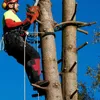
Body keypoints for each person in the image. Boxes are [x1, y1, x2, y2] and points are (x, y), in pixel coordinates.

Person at [2, 0, 49, 92]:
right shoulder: (8, 13)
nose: (18, 5)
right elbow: (9, 24)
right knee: (35, 55)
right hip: (14, 40)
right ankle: (37, 81)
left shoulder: (15, 17)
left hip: (12, 43)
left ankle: (36, 83)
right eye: (16, 3)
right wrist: (25, 20)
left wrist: (31, 19)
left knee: (28, 62)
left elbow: (22, 27)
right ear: (10, 5)